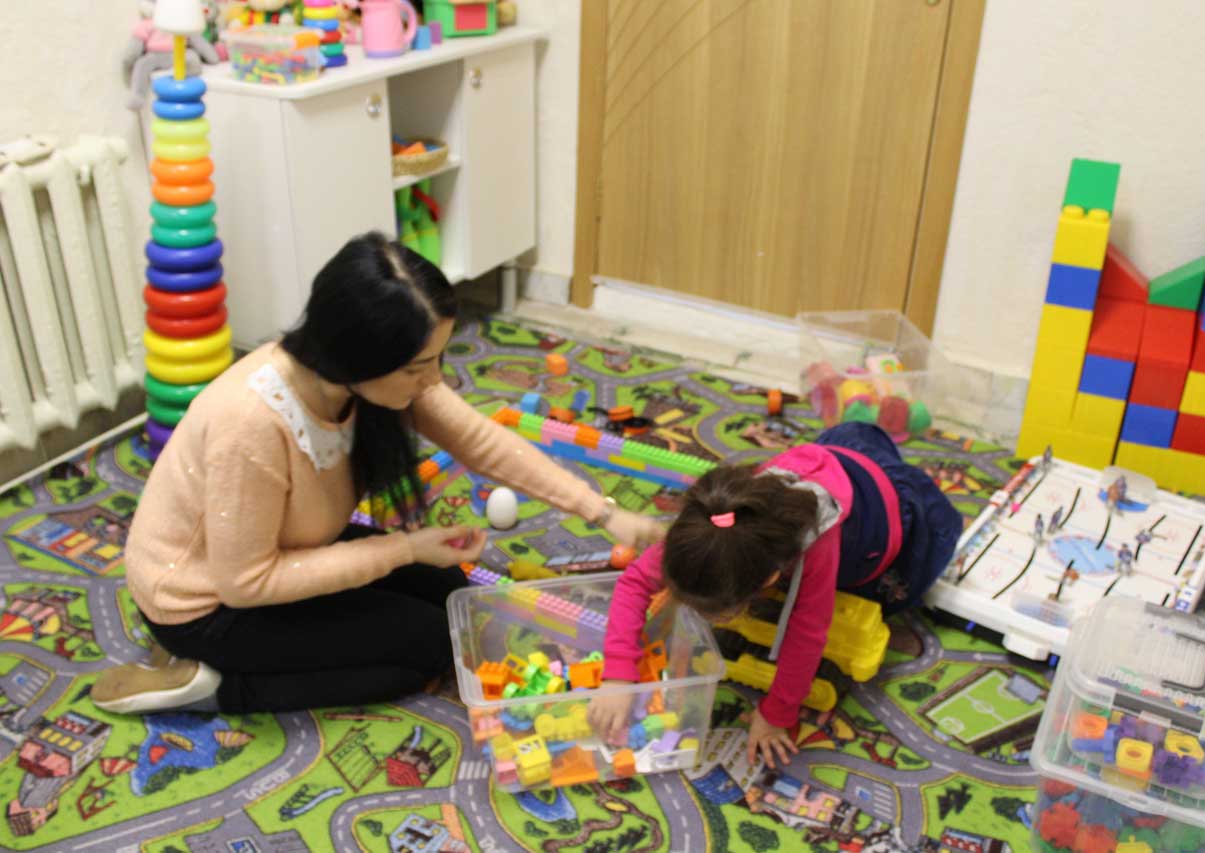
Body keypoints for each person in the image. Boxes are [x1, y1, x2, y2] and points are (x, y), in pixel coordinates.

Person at [92, 232, 662, 715]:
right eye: (419, 367)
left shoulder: (365, 379)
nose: (433, 380)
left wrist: (602, 513)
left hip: (285, 552)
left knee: (450, 593)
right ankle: (216, 687)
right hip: (206, 605)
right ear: (358, 356)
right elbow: (246, 583)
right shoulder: (251, 424)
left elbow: (480, 441)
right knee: (425, 650)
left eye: (437, 359)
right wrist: (403, 549)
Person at [587, 422, 962, 768]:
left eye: (718, 611)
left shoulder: (817, 547)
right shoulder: (704, 530)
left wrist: (776, 714)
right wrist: (617, 675)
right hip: (834, 460)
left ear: (769, 579)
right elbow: (634, 582)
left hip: (880, 518)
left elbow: (807, 633)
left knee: (877, 589)